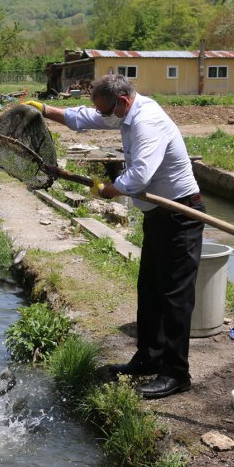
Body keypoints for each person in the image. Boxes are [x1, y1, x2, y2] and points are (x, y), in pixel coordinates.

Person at [25, 74, 205, 399]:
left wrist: (112, 189)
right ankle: (148, 359)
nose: (104, 116)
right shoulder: (124, 110)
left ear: (121, 102)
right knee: (149, 288)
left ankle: (177, 373)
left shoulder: (147, 121)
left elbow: (141, 174)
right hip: (157, 215)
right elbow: (86, 116)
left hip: (181, 214)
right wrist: (45, 109)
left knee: (175, 295)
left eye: (107, 110)